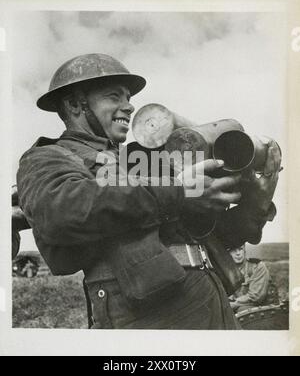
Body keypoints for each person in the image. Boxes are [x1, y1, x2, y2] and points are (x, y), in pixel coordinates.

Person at [16, 53, 281, 329]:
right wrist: (178, 191)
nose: (129, 107)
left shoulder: (141, 160)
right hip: (151, 319)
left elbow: (209, 236)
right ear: (74, 104)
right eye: (114, 96)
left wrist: (256, 203)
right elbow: (61, 214)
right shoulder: (48, 157)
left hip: (210, 302)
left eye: (128, 98)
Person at [229, 245, 279, 313]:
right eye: (233, 250)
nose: (238, 253)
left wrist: (232, 304)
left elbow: (256, 297)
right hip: (239, 304)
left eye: (240, 249)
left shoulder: (257, 266)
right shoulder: (227, 270)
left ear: (244, 250)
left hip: (263, 309)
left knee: (241, 311)